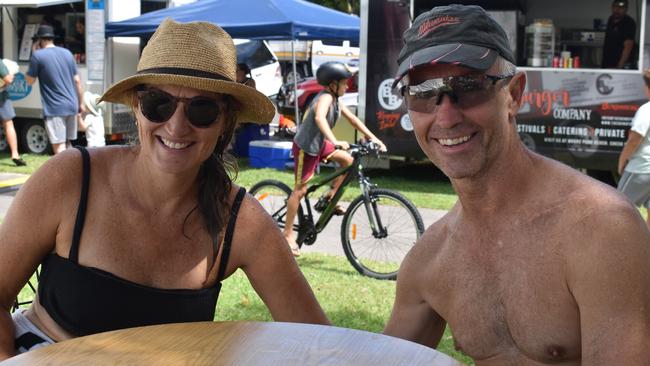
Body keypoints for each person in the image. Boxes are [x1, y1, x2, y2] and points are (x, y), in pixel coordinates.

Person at [0, 19, 328, 359]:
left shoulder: (241, 221)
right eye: (159, 103)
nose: (176, 125)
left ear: (225, 121)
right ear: (135, 107)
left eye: (202, 109)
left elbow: (320, 343)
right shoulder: (70, 177)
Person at [383, 4, 650, 365]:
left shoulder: (599, 228)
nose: (445, 116)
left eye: (468, 86)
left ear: (514, 94)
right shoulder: (430, 260)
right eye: (423, 93)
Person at [283, 61, 386, 256]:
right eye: (344, 83)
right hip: (307, 147)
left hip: (321, 144)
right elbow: (319, 118)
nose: (347, 87)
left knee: (347, 161)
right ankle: (287, 234)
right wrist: (336, 141)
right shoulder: (325, 98)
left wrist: (375, 138)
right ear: (332, 84)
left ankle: (328, 198)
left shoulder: (336, 99)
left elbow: (353, 120)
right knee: (300, 190)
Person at [26, 24, 85, 154]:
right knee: (69, 144)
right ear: (52, 39)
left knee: (59, 146)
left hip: (55, 108)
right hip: (72, 105)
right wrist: (81, 103)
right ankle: (74, 173)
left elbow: (29, 81)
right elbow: (77, 81)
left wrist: (33, 54)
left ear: (39, 40)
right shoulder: (67, 53)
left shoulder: (38, 56)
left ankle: (64, 174)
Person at [617, 69, 650, 227]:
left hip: (641, 169)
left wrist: (622, 161)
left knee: (617, 207)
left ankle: (616, 244)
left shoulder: (646, 110)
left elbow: (634, 140)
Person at [0, 59, 25, 166]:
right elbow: (8, 79)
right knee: (8, 124)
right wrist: (11, 76)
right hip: (1, 97)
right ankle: (15, 154)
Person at [602, 0, 636, 68]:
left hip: (619, 65)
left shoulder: (629, 23)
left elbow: (628, 47)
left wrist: (619, 67)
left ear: (626, 9)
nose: (617, 10)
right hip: (607, 63)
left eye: (621, 8)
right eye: (615, 6)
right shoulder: (610, 19)